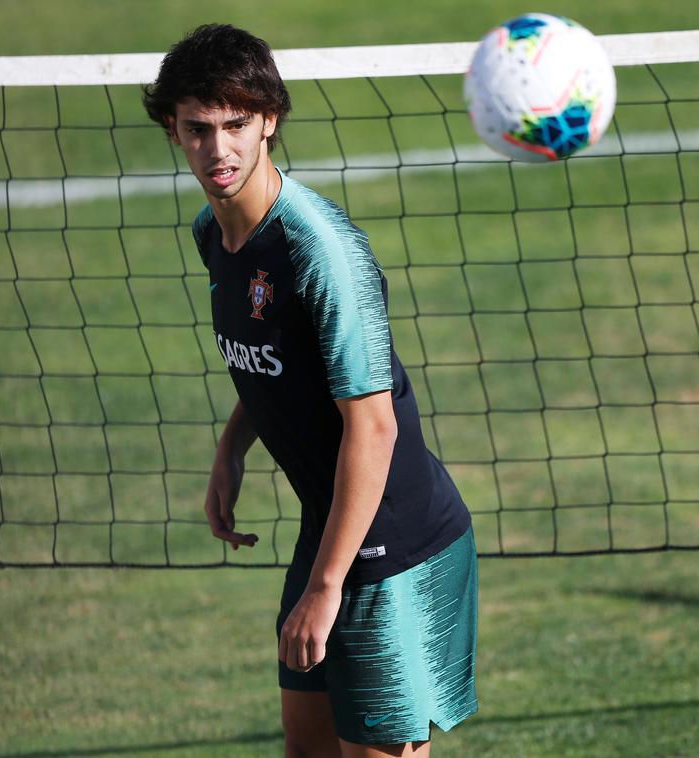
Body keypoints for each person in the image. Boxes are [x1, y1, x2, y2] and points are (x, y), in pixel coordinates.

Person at [143, 24, 478, 758]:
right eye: (198, 129)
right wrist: (231, 449)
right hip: (329, 528)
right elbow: (279, 360)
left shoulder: (322, 253)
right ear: (173, 129)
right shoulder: (215, 233)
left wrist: (327, 590)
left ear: (269, 121)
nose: (219, 150)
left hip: (394, 546)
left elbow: (375, 427)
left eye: (236, 125)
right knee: (308, 749)